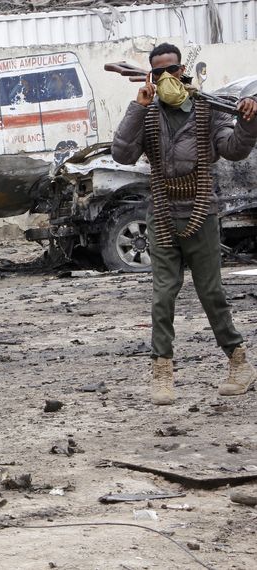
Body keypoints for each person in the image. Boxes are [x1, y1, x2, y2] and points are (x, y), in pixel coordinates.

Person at [111, 43, 257, 405]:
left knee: (211, 293)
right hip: (161, 213)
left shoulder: (208, 108)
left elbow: (235, 148)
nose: (166, 78)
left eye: (171, 70)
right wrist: (138, 106)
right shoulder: (146, 112)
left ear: (182, 71)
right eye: (158, 72)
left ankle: (239, 363)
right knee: (163, 295)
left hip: (200, 211)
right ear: (151, 76)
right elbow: (122, 153)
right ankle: (162, 371)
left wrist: (248, 121)